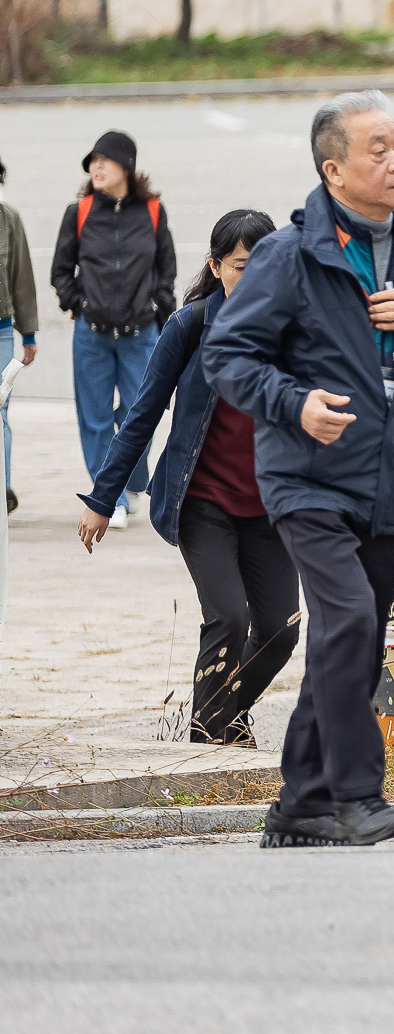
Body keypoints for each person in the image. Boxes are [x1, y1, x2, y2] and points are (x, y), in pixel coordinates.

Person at [201, 89, 394, 848]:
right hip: (306, 477)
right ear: (334, 169)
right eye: (378, 150)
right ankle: (357, 793)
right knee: (349, 621)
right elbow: (227, 355)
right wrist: (294, 404)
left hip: (389, 477)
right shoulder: (289, 256)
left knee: (349, 638)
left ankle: (300, 801)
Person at [78, 209, 294, 747]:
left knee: (279, 628)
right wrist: (104, 498)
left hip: (270, 507)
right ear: (216, 267)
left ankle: (218, 716)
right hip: (203, 501)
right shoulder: (190, 325)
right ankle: (212, 735)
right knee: (228, 616)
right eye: (243, 266)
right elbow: (142, 414)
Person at [55, 131, 178, 530]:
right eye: (92, 162)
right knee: (93, 419)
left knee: (139, 414)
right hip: (91, 335)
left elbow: (166, 271)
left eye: (104, 161)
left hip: (141, 335)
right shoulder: (80, 211)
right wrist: (79, 304)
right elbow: (61, 271)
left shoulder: (154, 211)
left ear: (126, 165)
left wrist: (159, 312)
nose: (96, 168)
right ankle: (113, 497)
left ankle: (134, 480)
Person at [0, 157, 40, 511]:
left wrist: (27, 334)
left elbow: (22, 280)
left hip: (0, 331)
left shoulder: (8, 219)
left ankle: (3, 490)